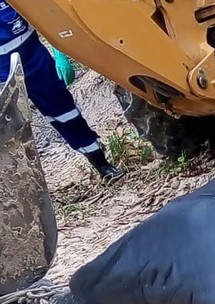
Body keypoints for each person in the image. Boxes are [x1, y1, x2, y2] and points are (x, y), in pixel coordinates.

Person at [0, 2, 124, 182]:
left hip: (33, 55)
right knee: (8, 130)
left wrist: (59, 52)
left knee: (64, 112)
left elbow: (48, 14)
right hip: (2, 70)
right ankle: (19, 188)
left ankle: (100, 162)